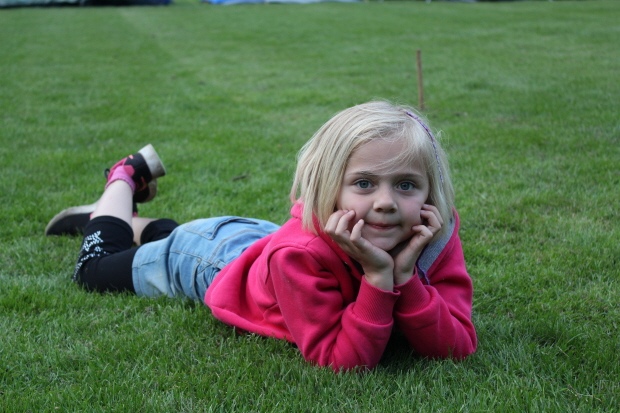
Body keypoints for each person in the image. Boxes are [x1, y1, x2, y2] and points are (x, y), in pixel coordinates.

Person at [46, 101, 477, 371]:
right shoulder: (298, 255)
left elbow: (456, 347)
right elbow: (342, 361)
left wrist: (407, 277)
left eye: (406, 185)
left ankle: (133, 223)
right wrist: (380, 279)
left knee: (167, 241)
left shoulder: (431, 233)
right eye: (364, 183)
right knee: (95, 269)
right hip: (210, 259)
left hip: (251, 244)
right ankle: (123, 179)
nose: (386, 203)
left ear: (430, 191)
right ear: (327, 188)